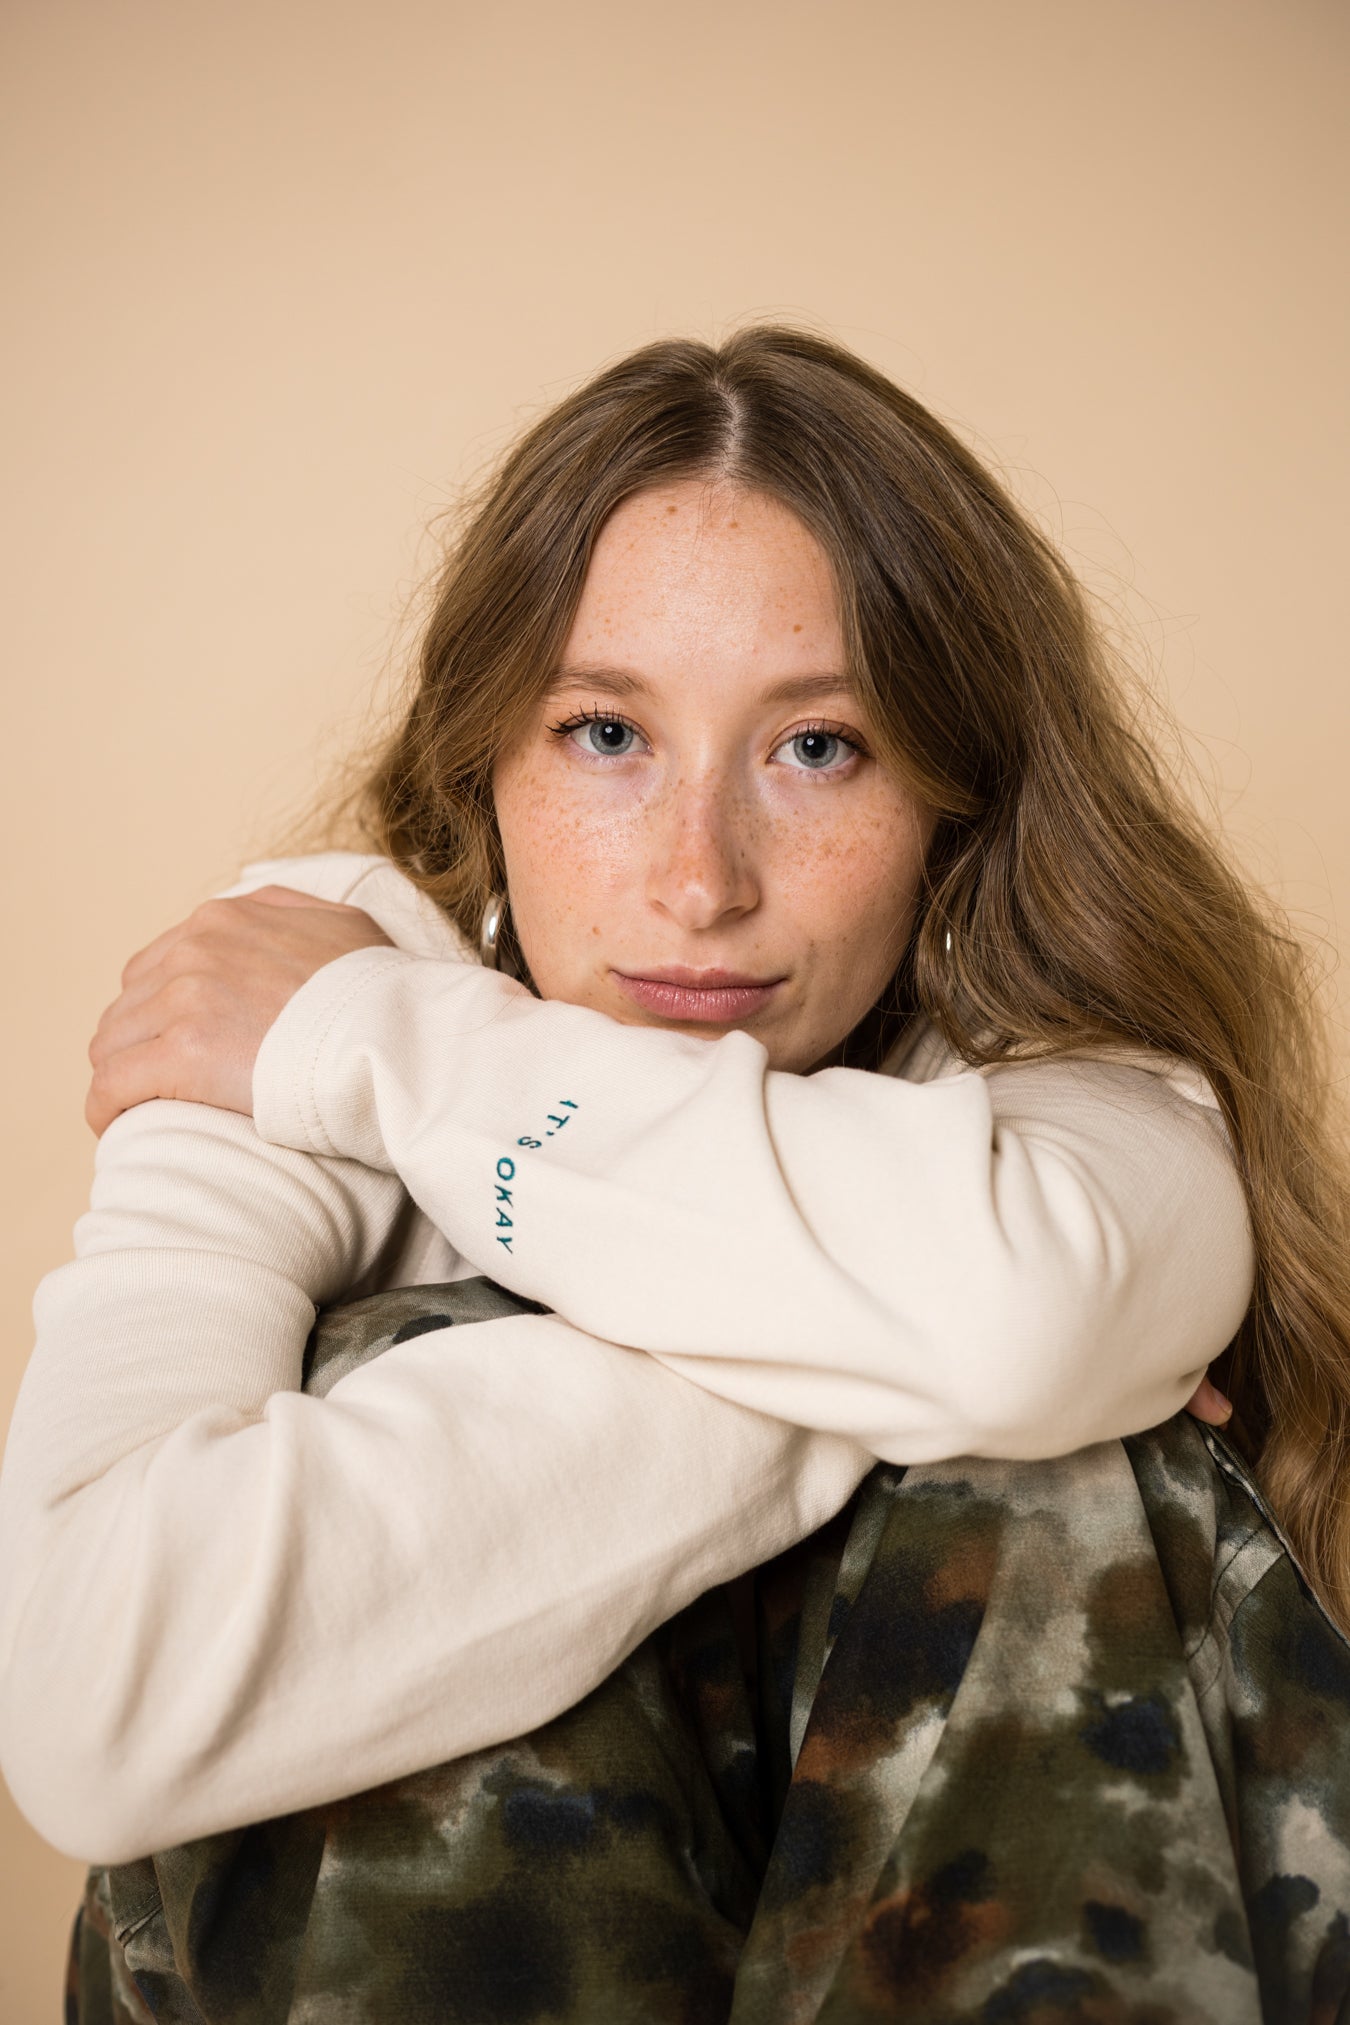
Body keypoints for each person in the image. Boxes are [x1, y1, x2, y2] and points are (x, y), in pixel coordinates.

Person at [3, 327, 1349, 2019]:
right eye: (603, 733)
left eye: (817, 748)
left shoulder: (1070, 1089)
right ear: (475, 761)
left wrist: (376, 1049)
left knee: (1054, 1474)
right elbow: (92, 1699)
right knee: (1033, 1415)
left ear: (955, 801)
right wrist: (923, 1350)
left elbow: (1010, 1328)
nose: (700, 879)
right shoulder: (304, 965)